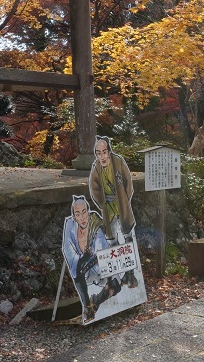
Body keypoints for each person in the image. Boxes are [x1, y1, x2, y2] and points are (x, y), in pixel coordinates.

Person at [89, 135, 139, 288]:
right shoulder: (96, 168)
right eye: (99, 153)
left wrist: (124, 199)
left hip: (121, 204)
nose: (102, 156)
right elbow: (94, 189)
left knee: (127, 236)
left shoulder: (118, 161)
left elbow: (128, 182)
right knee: (112, 241)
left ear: (109, 152)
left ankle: (131, 275)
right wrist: (103, 204)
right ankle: (122, 274)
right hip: (108, 207)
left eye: (104, 152)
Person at [62, 195, 119, 322]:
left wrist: (89, 258)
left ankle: (96, 301)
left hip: (97, 266)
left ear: (88, 211)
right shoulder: (70, 225)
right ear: (74, 217)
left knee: (116, 286)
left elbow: (100, 250)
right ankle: (87, 306)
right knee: (77, 271)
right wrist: (82, 259)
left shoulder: (94, 221)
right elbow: (68, 250)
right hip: (81, 271)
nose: (82, 217)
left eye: (84, 212)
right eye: (78, 214)